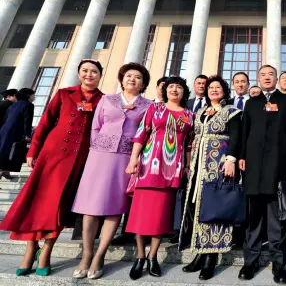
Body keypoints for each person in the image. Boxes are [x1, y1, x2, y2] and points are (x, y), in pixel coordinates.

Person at [0, 59, 103, 277]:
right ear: (78, 74)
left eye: (94, 72)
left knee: (59, 206)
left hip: (79, 161)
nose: (89, 75)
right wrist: (32, 151)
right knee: (37, 202)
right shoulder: (64, 94)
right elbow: (46, 122)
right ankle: (31, 249)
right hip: (53, 154)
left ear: (100, 76)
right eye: (85, 71)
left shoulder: (103, 100)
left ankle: (46, 250)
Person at [71, 63, 152, 280]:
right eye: (128, 76)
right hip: (100, 156)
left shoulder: (148, 105)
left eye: (137, 77)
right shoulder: (107, 100)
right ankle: (87, 255)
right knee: (91, 207)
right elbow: (95, 126)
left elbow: (147, 133)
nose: (132, 80)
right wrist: (98, 145)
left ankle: (100, 255)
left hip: (126, 159)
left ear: (143, 83)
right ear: (121, 79)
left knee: (114, 207)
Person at [238, 65, 286, 285]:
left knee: (276, 218)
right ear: (259, 78)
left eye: (271, 75)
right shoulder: (251, 103)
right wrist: (241, 156)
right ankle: (251, 261)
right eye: (263, 75)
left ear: (276, 78)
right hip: (254, 167)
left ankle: (279, 264)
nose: (267, 78)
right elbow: (245, 131)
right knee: (254, 217)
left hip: (278, 164)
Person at [124, 76, 194, 280]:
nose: (174, 90)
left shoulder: (189, 115)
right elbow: (141, 134)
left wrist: (188, 165)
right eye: (171, 86)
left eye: (179, 87)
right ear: (165, 90)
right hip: (149, 165)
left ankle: (153, 256)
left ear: (184, 92)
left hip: (172, 169)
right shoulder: (155, 109)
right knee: (140, 214)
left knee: (161, 215)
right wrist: (133, 160)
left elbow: (189, 143)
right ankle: (140, 257)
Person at [179, 75, 242, 280]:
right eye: (210, 87)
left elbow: (236, 136)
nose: (214, 90)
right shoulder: (200, 112)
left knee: (214, 207)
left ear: (224, 91)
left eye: (218, 87)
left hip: (218, 165)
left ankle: (211, 258)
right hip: (198, 166)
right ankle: (199, 253)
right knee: (196, 206)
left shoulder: (231, 111)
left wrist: (231, 159)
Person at [111, 75, 169, 246]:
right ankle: (129, 231)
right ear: (158, 88)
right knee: (136, 195)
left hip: (165, 160)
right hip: (142, 155)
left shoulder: (177, 107)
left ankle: (156, 231)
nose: (167, 90)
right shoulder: (147, 105)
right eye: (163, 86)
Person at [0, 88, 35, 178]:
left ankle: (5, 171)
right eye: (32, 95)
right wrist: (27, 134)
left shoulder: (13, 105)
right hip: (15, 131)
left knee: (5, 150)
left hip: (5, 130)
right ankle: (3, 171)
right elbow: (27, 120)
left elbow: (7, 118)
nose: (34, 97)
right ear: (28, 95)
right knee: (11, 151)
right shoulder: (29, 105)